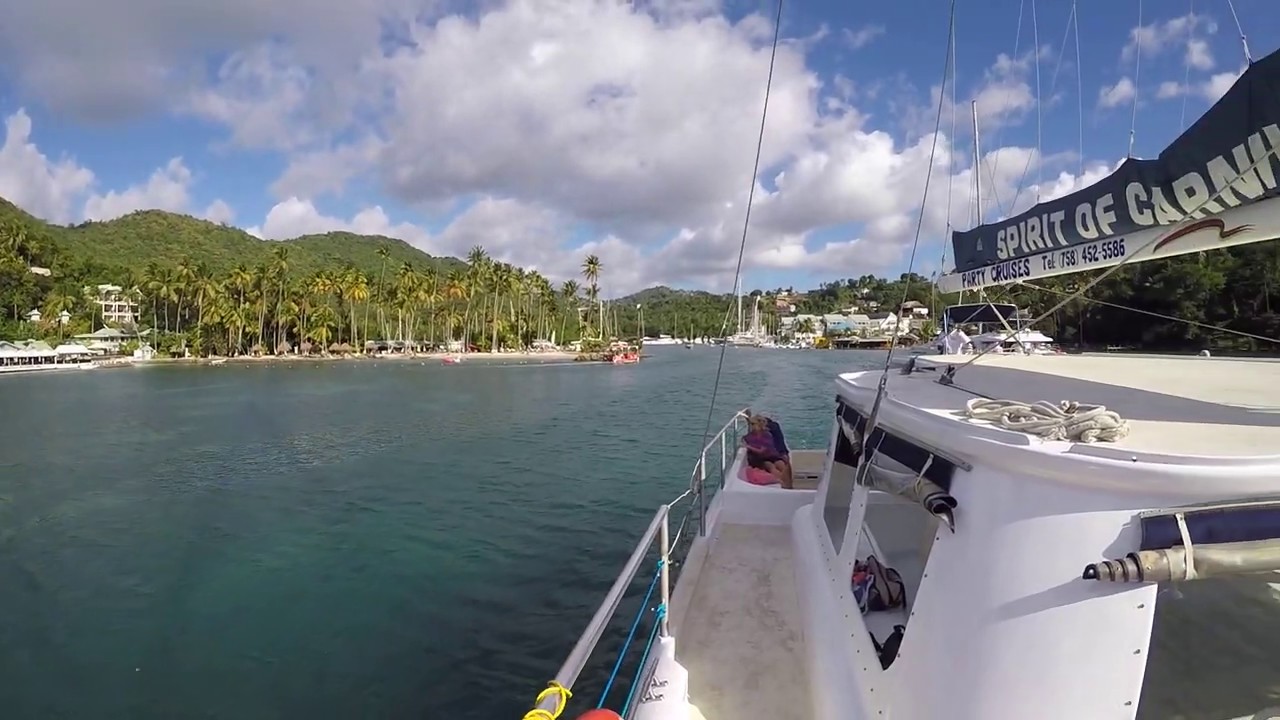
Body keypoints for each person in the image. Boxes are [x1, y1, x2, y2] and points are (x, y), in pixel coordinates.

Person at [743, 412, 794, 489]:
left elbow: (763, 450)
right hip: (760, 459)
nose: (751, 426)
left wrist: (749, 447)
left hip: (770, 455)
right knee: (770, 466)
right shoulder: (749, 437)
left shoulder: (767, 435)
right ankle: (781, 482)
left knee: (782, 464)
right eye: (750, 424)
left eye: (753, 424)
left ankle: (788, 485)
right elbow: (759, 451)